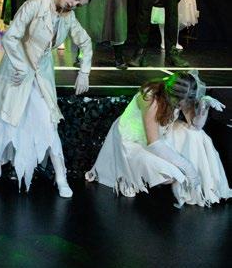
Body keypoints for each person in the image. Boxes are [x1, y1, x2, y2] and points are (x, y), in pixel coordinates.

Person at [0, 0, 94, 198]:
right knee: (4, 122)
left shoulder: (68, 17)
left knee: (49, 123)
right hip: (17, 71)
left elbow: (85, 42)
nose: (74, 5)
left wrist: (84, 72)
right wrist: (20, 66)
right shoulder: (35, 4)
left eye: (79, 4)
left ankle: (61, 178)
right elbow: (10, 37)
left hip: (42, 74)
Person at [86, 70, 232, 207]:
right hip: (135, 142)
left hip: (162, 132)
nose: (180, 107)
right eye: (178, 104)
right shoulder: (150, 98)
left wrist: (202, 108)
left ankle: (202, 191)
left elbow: (195, 126)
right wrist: (187, 167)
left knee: (197, 135)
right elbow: (153, 143)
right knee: (170, 175)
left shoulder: (184, 91)